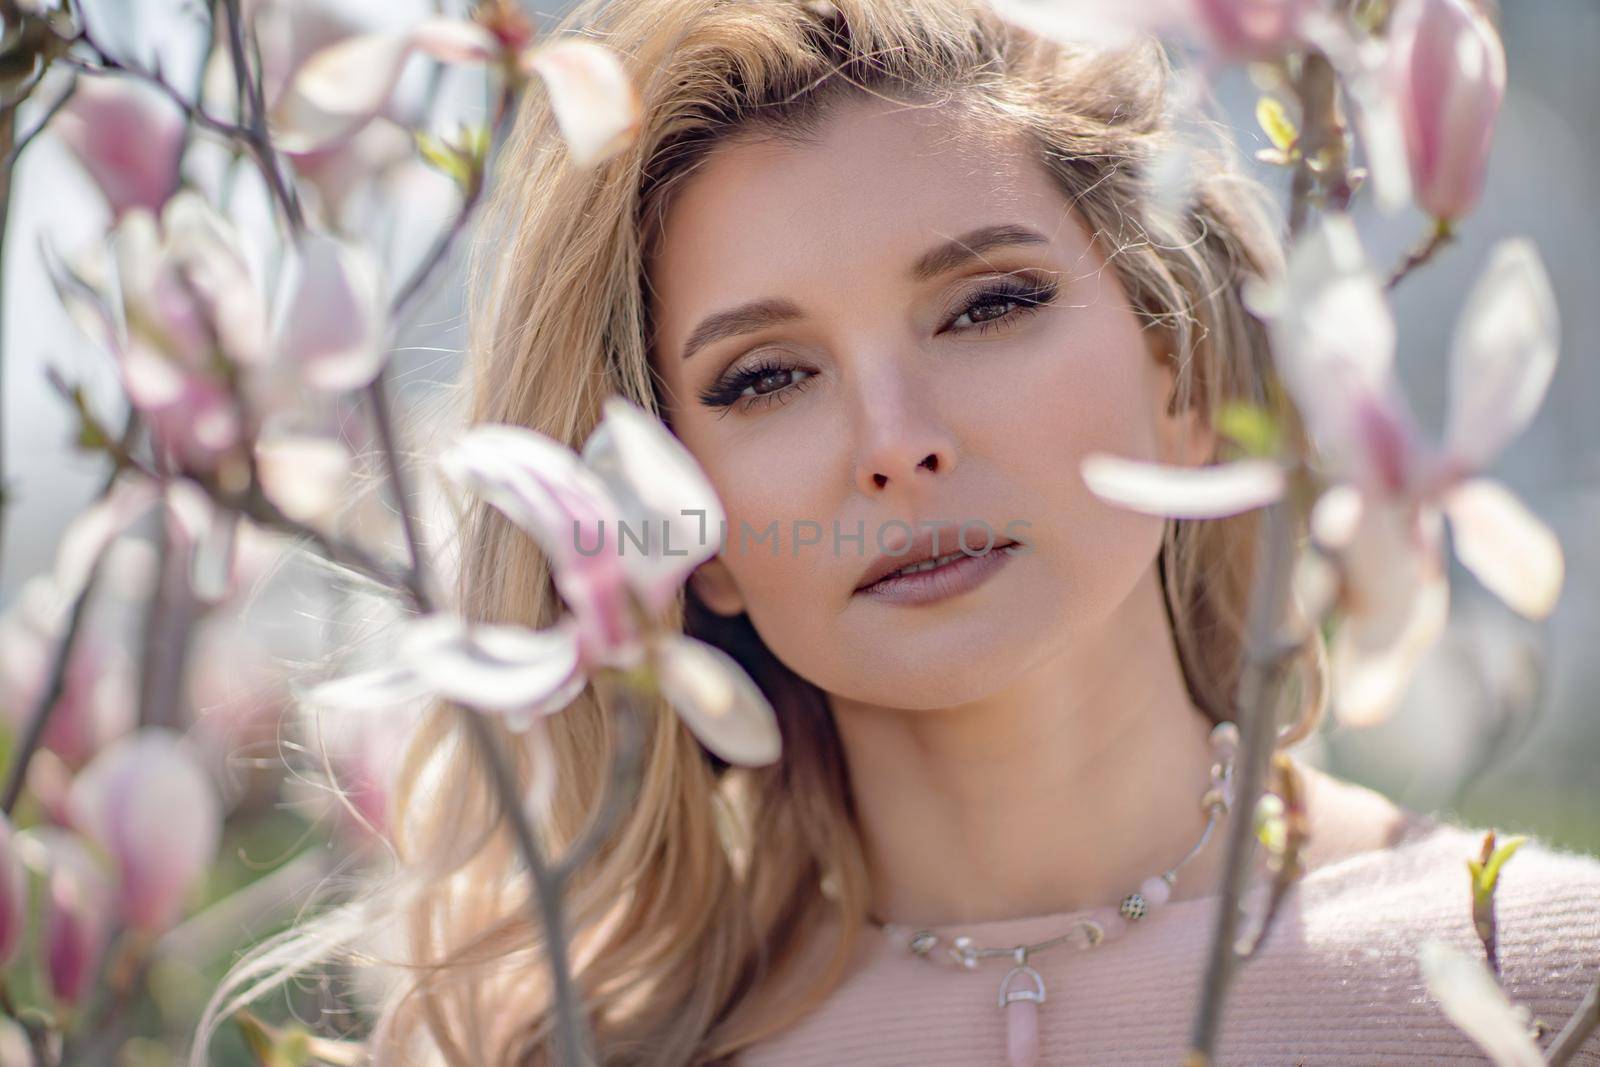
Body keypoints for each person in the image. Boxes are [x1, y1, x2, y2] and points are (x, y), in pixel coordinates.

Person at [203, 0, 1600, 1064]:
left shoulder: (1542, 978)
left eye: (987, 305)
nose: (895, 443)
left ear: (1184, 378)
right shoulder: (608, 1044)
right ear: (689, 533)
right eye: (766, 377)